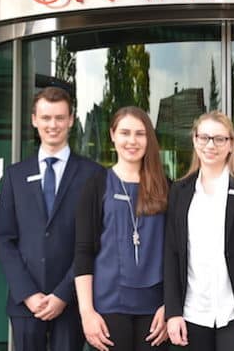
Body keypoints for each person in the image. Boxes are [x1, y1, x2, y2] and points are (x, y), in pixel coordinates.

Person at [0, 87, 104, 351]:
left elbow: (96, 239)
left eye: (59, 117)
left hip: (72, 299)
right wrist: (29, 294)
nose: (52, 125)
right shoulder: (15, 175)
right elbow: (4, 238)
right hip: (25, 301)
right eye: (45, 118)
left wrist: (63, 294)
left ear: (70, 119)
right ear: (34, 120)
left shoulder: (94, 174)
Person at [164, 110, 234, 351]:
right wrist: (172, 312)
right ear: (195, 140)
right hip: (192, 313)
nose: (211, 145)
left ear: (231, 144)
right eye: (204, 137)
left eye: (220, 139)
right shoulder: (180, 191)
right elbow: (171, 254)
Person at [74, 106, 169, 351]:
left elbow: (177, 252)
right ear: (112, 135)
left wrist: (171, 306)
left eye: (140, 134)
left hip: (156, 309)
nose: (132, 141)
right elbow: (83, 252)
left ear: (149, 138)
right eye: (125, 133)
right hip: (109, 307)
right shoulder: (96, 185)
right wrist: (87, 313)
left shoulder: (167, 187)